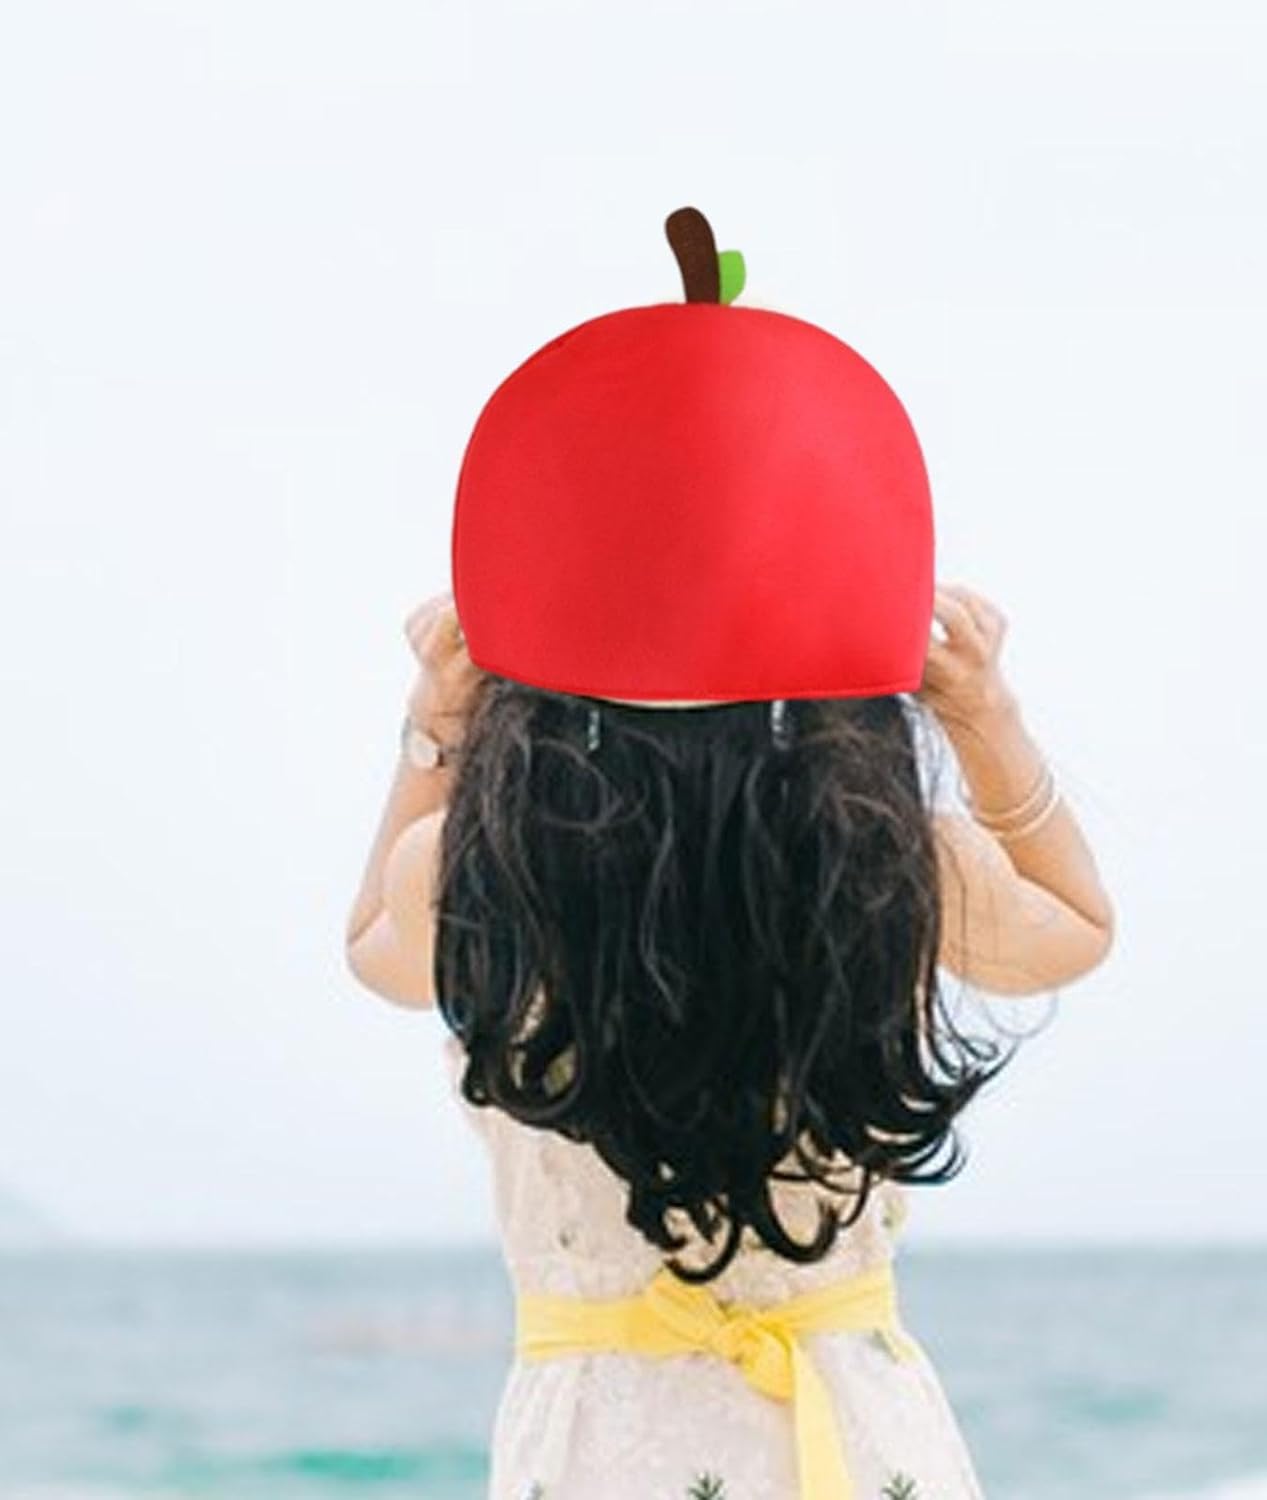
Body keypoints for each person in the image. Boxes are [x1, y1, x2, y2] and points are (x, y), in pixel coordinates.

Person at [344, 579, 1115, 1500]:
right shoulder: (875, 853)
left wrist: (434, 727)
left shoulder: (480, 868)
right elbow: (1076, 925)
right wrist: (985, 717)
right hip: (856, 1429)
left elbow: (375, 955)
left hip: (599, 1450)